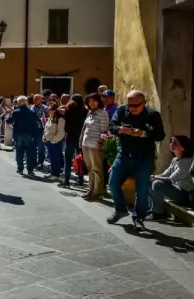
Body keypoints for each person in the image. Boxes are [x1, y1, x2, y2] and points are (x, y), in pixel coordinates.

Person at [107, 90, 166, 228]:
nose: (132, 109)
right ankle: (120, 210)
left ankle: (139, 217)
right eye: (130, 105)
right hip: (124, 155)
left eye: (136, 106)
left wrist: (144, 132)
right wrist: (120, 130)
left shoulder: (152, 114)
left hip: (144, 157)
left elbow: (160, 135)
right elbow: (111, 126)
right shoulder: (122, 110)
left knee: (142, 189)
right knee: (113, 184)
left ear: (144, 103)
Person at [150, 136, 194, 219]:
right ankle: (151, 208)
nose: (171, 144)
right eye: (171, 142)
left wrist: (154, 178)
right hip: (176, 190)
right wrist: (152, 177)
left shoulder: (186, 162)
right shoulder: (175, 160)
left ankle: (158, 213)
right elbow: (164, 174)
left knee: (157, 184)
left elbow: (170, 179)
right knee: (148, 181)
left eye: (175, 143)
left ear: (183, 147)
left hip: (185, 195)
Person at [80, 93, 110, 200]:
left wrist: (100, 143)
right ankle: (91, 189)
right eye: (89, 101)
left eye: (94, 100)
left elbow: (104, 131)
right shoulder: (89, 112)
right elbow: (84, 128)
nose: (91, 103)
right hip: (86, 144)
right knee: (89, 168)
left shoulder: (103, 113)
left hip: (95, 145)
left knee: (97, 169)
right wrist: (81, 140)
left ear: (98, 101)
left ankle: (98, 191)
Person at [7, 96, 39, 176]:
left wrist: (9, 115)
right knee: (30, 153)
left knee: (19, 152)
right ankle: (30, 170)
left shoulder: (15, 112)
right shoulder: (32, 112)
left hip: (18, 134)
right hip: (29, 134)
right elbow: (35, 125)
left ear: (18, 103)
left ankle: (20, 168)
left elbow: (9, 121)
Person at [61, 95, 88, 188]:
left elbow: (66, 123)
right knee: (80, 158)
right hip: (80, 137)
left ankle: (66, 180)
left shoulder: (68, 110)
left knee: (68, 159)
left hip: (70, 137)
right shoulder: (85, 111)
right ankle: (80, 179)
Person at [43, 102, 66, 179]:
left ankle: (55, 174)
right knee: (51, 158)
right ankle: (52, 173)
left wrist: (54, 140)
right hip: (48, 141)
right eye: (48, 110)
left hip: (55, 142)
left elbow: (61, 132)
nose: (49, 111)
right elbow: (47, 129)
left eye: (50, 110)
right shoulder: (50, 118)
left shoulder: (60, 119)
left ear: (55, 110)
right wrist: (44, 137)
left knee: (55, 158)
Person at [31, 94, 48, 169]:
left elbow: (48, 119)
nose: (35, 100)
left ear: (41, 100)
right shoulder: (30, 108)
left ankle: (40, 162)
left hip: (41, 130)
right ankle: (33, 161)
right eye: (34, 98)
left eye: (37, 98)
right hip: (32, 130)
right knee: (32, 146)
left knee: (41, 147)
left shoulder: (46, 108)